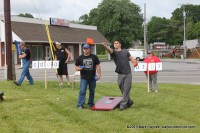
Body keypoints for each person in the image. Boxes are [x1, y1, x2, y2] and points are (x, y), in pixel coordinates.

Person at [101, 39, 138, 110]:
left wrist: (135, 62)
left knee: (126, 89)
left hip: (128, 73)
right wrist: (105, 46)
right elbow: (110, 50)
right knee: (122, 89)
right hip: (120, 74)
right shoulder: (114, 52)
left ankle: (123, 106)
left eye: (117, 43)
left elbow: (131, 58)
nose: (115, 44)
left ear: (120, 44)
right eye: (114, 43)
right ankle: (129, 101)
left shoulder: (125, 51)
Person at [75, 43, 101, 109]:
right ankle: (80, 104)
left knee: (92, 91)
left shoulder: (94, 57)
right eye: (84, 48)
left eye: (87, 49)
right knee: (82, 91)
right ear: (83, 49)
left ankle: (90, 103)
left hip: (92, 77)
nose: (85, 50)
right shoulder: (80, 58)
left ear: (90, 49)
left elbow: (98, 65)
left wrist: (99, 74)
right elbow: (76, 67)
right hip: (84, 77)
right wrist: (79, 68)